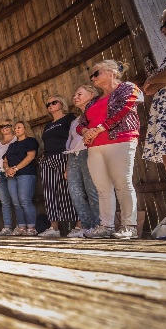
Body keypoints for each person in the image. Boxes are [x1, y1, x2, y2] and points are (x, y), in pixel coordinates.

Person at [78, 60, 143, 239]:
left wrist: (99, 128)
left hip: (120, 141)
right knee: (102, 188)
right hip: (95, 147)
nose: (93, 78)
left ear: (112, 72)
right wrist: (85, 131)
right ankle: (106, 226)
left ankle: (129, 226)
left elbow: (124, 109)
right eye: (91, 75)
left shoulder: (127, 88)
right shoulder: (93, 102)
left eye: (96, 73)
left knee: (123, 183)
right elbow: (81, 122)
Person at [143, 6, 166, 239]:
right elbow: (150, 87)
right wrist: (159, 79)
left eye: (165, 23)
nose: (161, 29)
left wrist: (158, 78)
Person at [38, 95, 78, 237]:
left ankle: (76, 226)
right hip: (48, 159)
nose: (50, 105)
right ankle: (54, 227)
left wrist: (69, 160)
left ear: (62, 103)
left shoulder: (70, 118)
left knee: (66, 191)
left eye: (54, 102)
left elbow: (74, 138)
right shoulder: (48, 125)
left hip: (63, 156)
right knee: (49, 193)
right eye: (47, 104)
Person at [64, 85, 101, 238]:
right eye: (74, 94)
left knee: (92, 191)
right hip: (73, 156)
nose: (75, 97)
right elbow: (70, 142)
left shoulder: (96, 112)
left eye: (79, 94)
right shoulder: (76, 121)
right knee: (75, 193)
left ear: (91, 94)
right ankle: (86, 227)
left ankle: (99, 226)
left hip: (89, 152)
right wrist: (67, 165)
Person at [3, 121, 39, 236]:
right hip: (12, 176)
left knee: (25, 200)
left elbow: (30, 156)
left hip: (26, 174)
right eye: (15, 127)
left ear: (25, 129)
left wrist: (16, 168)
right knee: (16, 202)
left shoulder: (31, 141)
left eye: (19, 127)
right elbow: (5, 161)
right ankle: (21, 227)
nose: (16, 129)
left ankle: (32, 228)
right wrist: (8, 169)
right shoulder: (12, 145)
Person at [0, 119, 16, 235]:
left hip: (13, 172)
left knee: (16, 200)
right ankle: (7, 226)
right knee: (5, 202)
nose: (4, 128)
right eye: (2, 126)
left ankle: (20, 226)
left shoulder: (17, 140)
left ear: (12, 127)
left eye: (7, 125)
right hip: (0, 174)